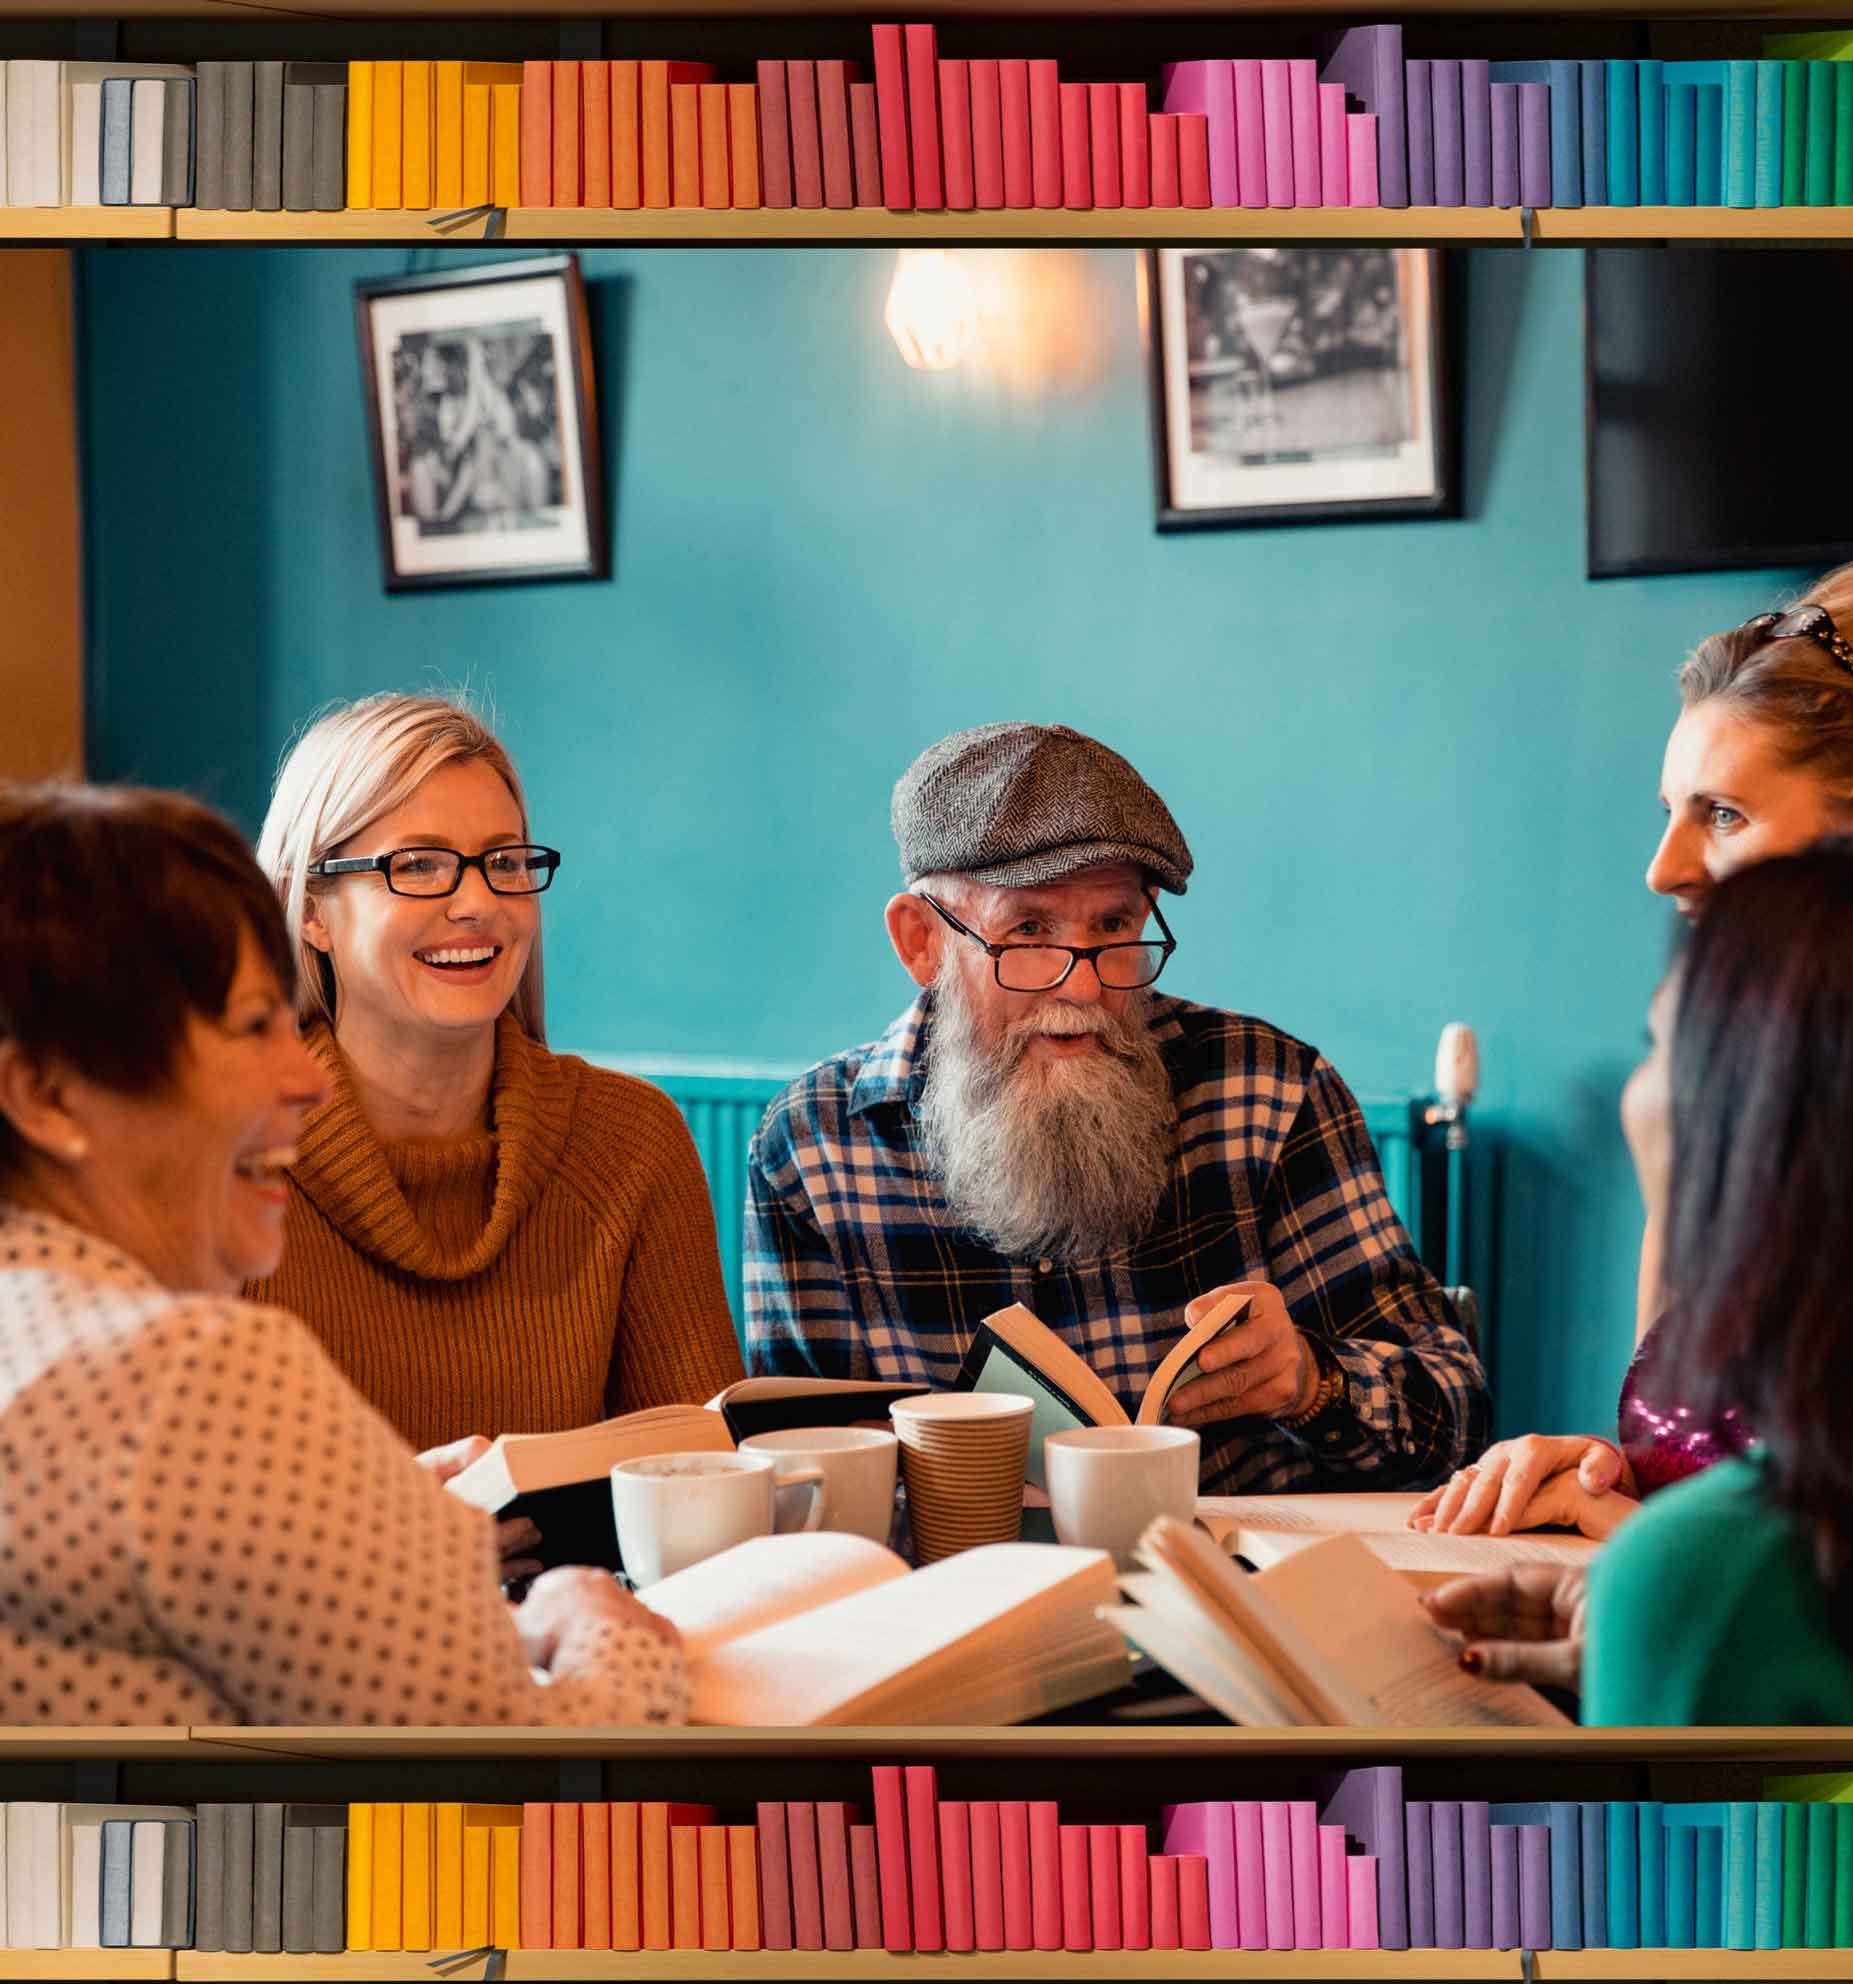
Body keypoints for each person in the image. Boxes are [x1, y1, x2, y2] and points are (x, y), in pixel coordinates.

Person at [0, 782, 685, 1723]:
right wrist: (599, 1625)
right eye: (249, 1029)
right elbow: (511, 1754)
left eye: (504, 859)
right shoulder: (184, 1370)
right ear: (44, 1097)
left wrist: (370, 1533)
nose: (303, 1080)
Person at [744, 722, 1488, 1494]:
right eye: (1029, 930)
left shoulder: (1269, 1089)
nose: (1085, 988)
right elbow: (795, 1475)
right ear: (922, 941)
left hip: (1232, 1586)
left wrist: (1312, 1381)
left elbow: (1458, 1414)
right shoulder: (814, 1145)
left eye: (1113, 927)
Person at [1415, 560, 1853, 1541]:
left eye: (1721, 814)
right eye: (1667, 812)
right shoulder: (1712, 1110)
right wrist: (1597, 1479)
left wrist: (1631, 1546)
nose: (1661, 870)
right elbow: (1677, 1488)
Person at [1434, 840, 1853, 1719]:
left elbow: (1656, 1855)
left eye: (1659, 1047)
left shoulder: (1711, 1566)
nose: (1665, 864)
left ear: (1760, 1122)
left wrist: (1667, 1617)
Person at [248, 693, 744, 1467]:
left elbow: (706, 1480)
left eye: (506, 861)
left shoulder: (630, 1141)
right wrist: (401, 1529)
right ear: (308, 908)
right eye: (418, 865)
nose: (478, 903)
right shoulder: (224, 1155)